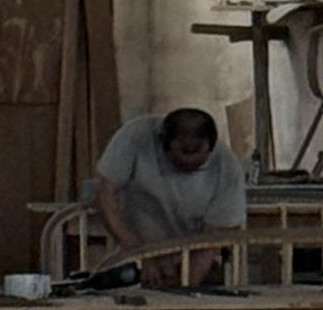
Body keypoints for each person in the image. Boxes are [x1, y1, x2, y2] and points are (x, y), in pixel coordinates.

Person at [94, 103, 247, 258]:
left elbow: (212, 238)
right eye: (184, 151)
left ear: (211, 148)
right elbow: (106, 193)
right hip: (133, 245)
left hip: (193, 252)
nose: (190, 160)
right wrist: (137, 252)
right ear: (164, 147)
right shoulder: (134, 137)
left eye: (196, 150)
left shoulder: (227, 167)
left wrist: (187, 273)